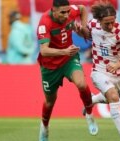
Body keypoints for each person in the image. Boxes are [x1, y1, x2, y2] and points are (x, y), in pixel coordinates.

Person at [36, 0, 98, 141]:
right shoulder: (44, 23)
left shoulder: (70, 11)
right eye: (62, 12)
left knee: (82, 84)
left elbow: (82, 9)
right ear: (54, 10)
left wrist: (83, 27)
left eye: (68, 11)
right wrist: (65, 51)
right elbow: (44, 51)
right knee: (50, 101)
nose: (66, 15)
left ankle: (89, 114)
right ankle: (44, 127)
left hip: (68, 59)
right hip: (50, 66)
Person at [83, 2, 120, 141]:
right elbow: (87, 35)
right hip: (99, 70)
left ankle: (93, 100)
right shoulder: (93, 24)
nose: (110, 25)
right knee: (113, 96)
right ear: (99, 20)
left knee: (112, 99)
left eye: (112, 22)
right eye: (107, 23)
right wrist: (78, 30)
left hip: (118, 72)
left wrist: (117, 65)